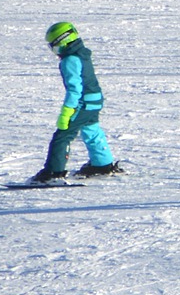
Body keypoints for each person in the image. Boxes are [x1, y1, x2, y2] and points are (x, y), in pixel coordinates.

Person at [30, 21, 122, 182]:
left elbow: (74, 90)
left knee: (63, 136)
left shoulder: (70, 60)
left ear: (63, 41)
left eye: (54, 45)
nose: (54, 50)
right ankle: (102, 164)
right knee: (91, 130)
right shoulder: (82, 54)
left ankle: (54, 172)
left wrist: (67, 112)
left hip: (83, 102)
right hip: (95, 99)